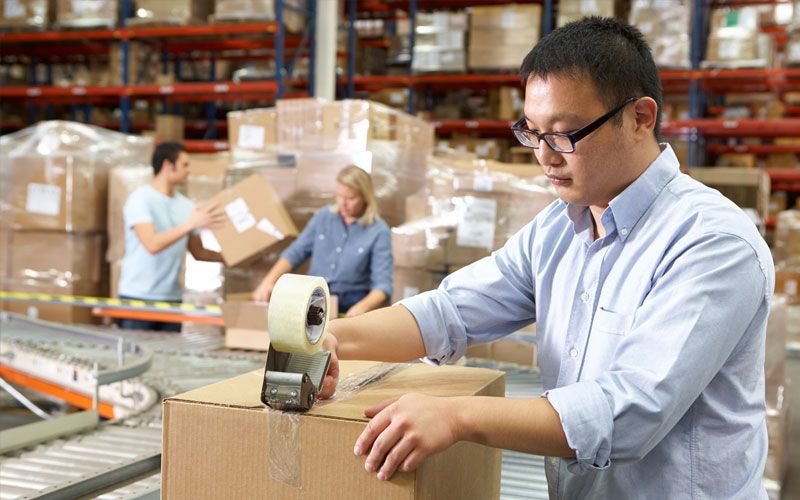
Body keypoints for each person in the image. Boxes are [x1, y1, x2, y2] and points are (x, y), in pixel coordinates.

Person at [319, 17, 774, 499]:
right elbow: (452, 311)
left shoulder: (712, 241)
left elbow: (633, 409)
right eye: (532, 132)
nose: (544, 156)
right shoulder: (559, 227)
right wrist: (335, 337)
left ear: (640, 117)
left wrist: (456, 415)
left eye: (565, 134)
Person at [252, 165, 392, 317]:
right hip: (312, 301)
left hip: (347, 307)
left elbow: (382, 285)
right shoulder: (324, 217)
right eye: (339, 196)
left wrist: (362, 307)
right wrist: (268, 282)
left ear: (365, 197)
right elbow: (295, 252)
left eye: (351, 198)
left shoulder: (379, 231)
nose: (343, 203)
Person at [118, 141, 225, 331]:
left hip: (171, 299)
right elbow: (151, 244)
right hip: (138, 298)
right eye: (184, 165)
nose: (188, 171)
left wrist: (234, 259)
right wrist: (191, 223)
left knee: (169, 359)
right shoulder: (140, 199)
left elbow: (199, 252)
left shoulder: (186, 206)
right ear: (168, 165)